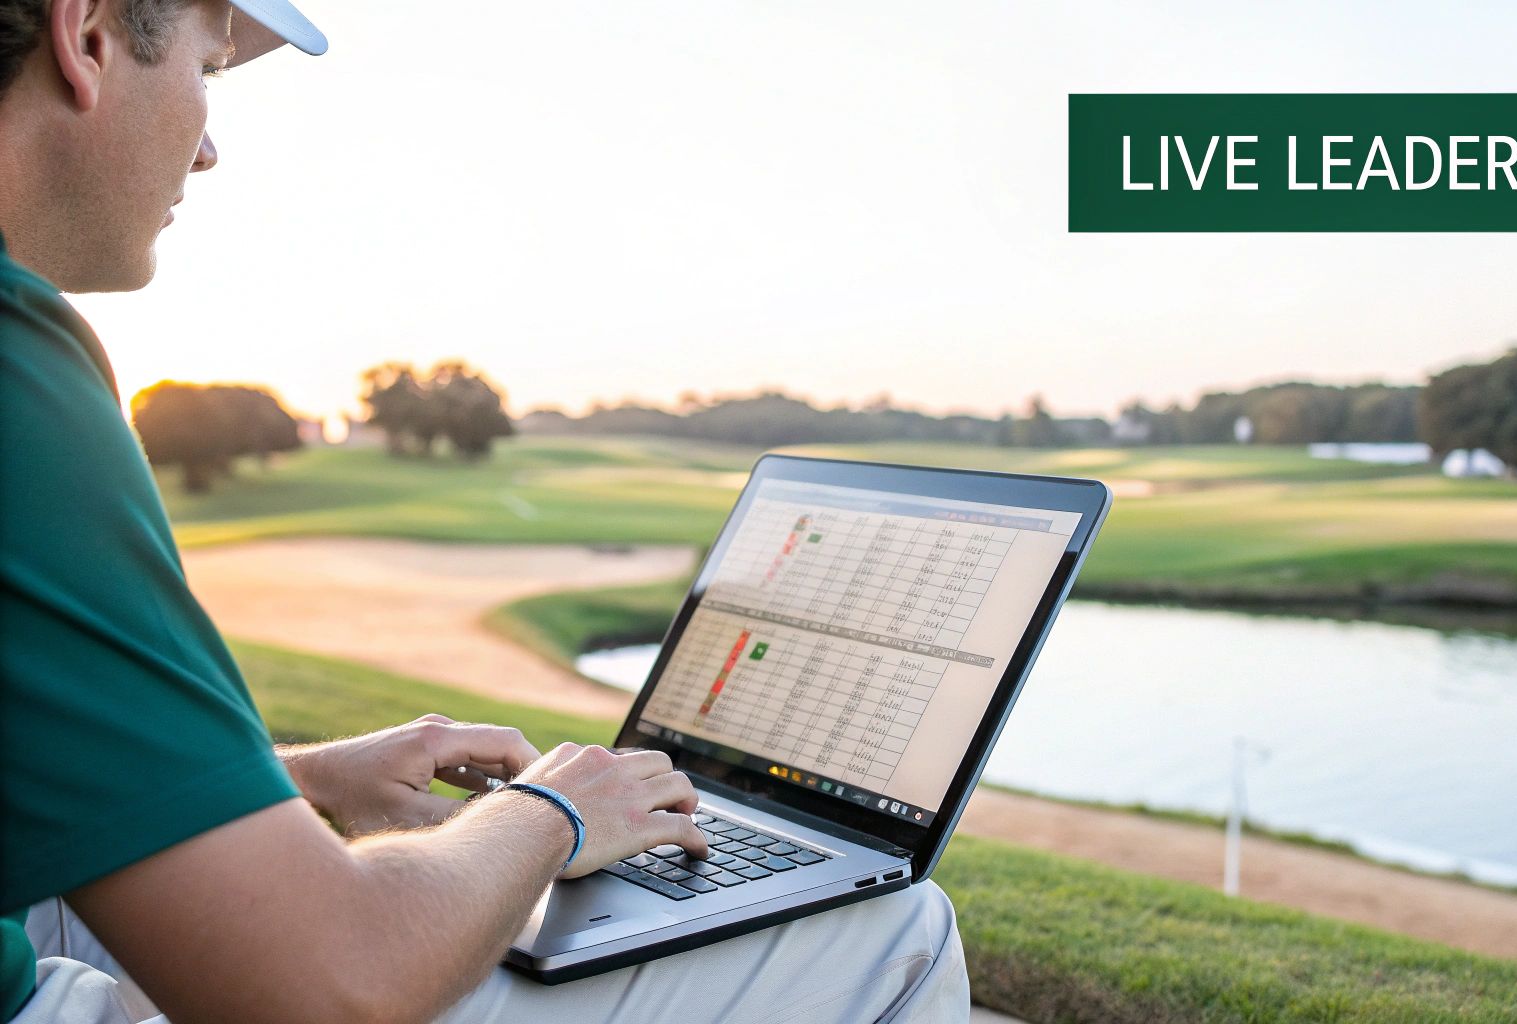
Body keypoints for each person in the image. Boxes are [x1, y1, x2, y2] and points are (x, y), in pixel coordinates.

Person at [0, 1, 971, 1020]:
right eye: (211, 69)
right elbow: (333, 984)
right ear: (90, 36)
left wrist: (299, 778)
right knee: (896, 928)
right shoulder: (20, 365)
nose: (207, 149)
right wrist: (549, 809)